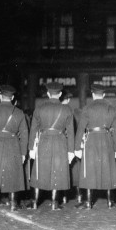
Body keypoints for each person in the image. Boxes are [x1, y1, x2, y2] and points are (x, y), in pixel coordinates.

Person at [28, 82, 75, 210]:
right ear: (60, 94)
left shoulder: (39, 108)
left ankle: (34, 202)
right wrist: (71, 151)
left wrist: (31, 148)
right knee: (57, 171)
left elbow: (33, 129)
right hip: (60, 142)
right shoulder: (67, 109)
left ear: (48, 93)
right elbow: (70, 132)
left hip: (44, 141)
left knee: (39, 171)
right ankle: (55, 203)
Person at [74, 85, 116, 209]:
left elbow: (80, 129)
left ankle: (88, 202)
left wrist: (77, 147)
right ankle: (111, 202)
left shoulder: (87, 108)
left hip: (91, 140)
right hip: (107, 140)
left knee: (89, 170)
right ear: (103, 95)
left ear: (93, 95)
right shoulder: (112, 109)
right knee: (109, 170)